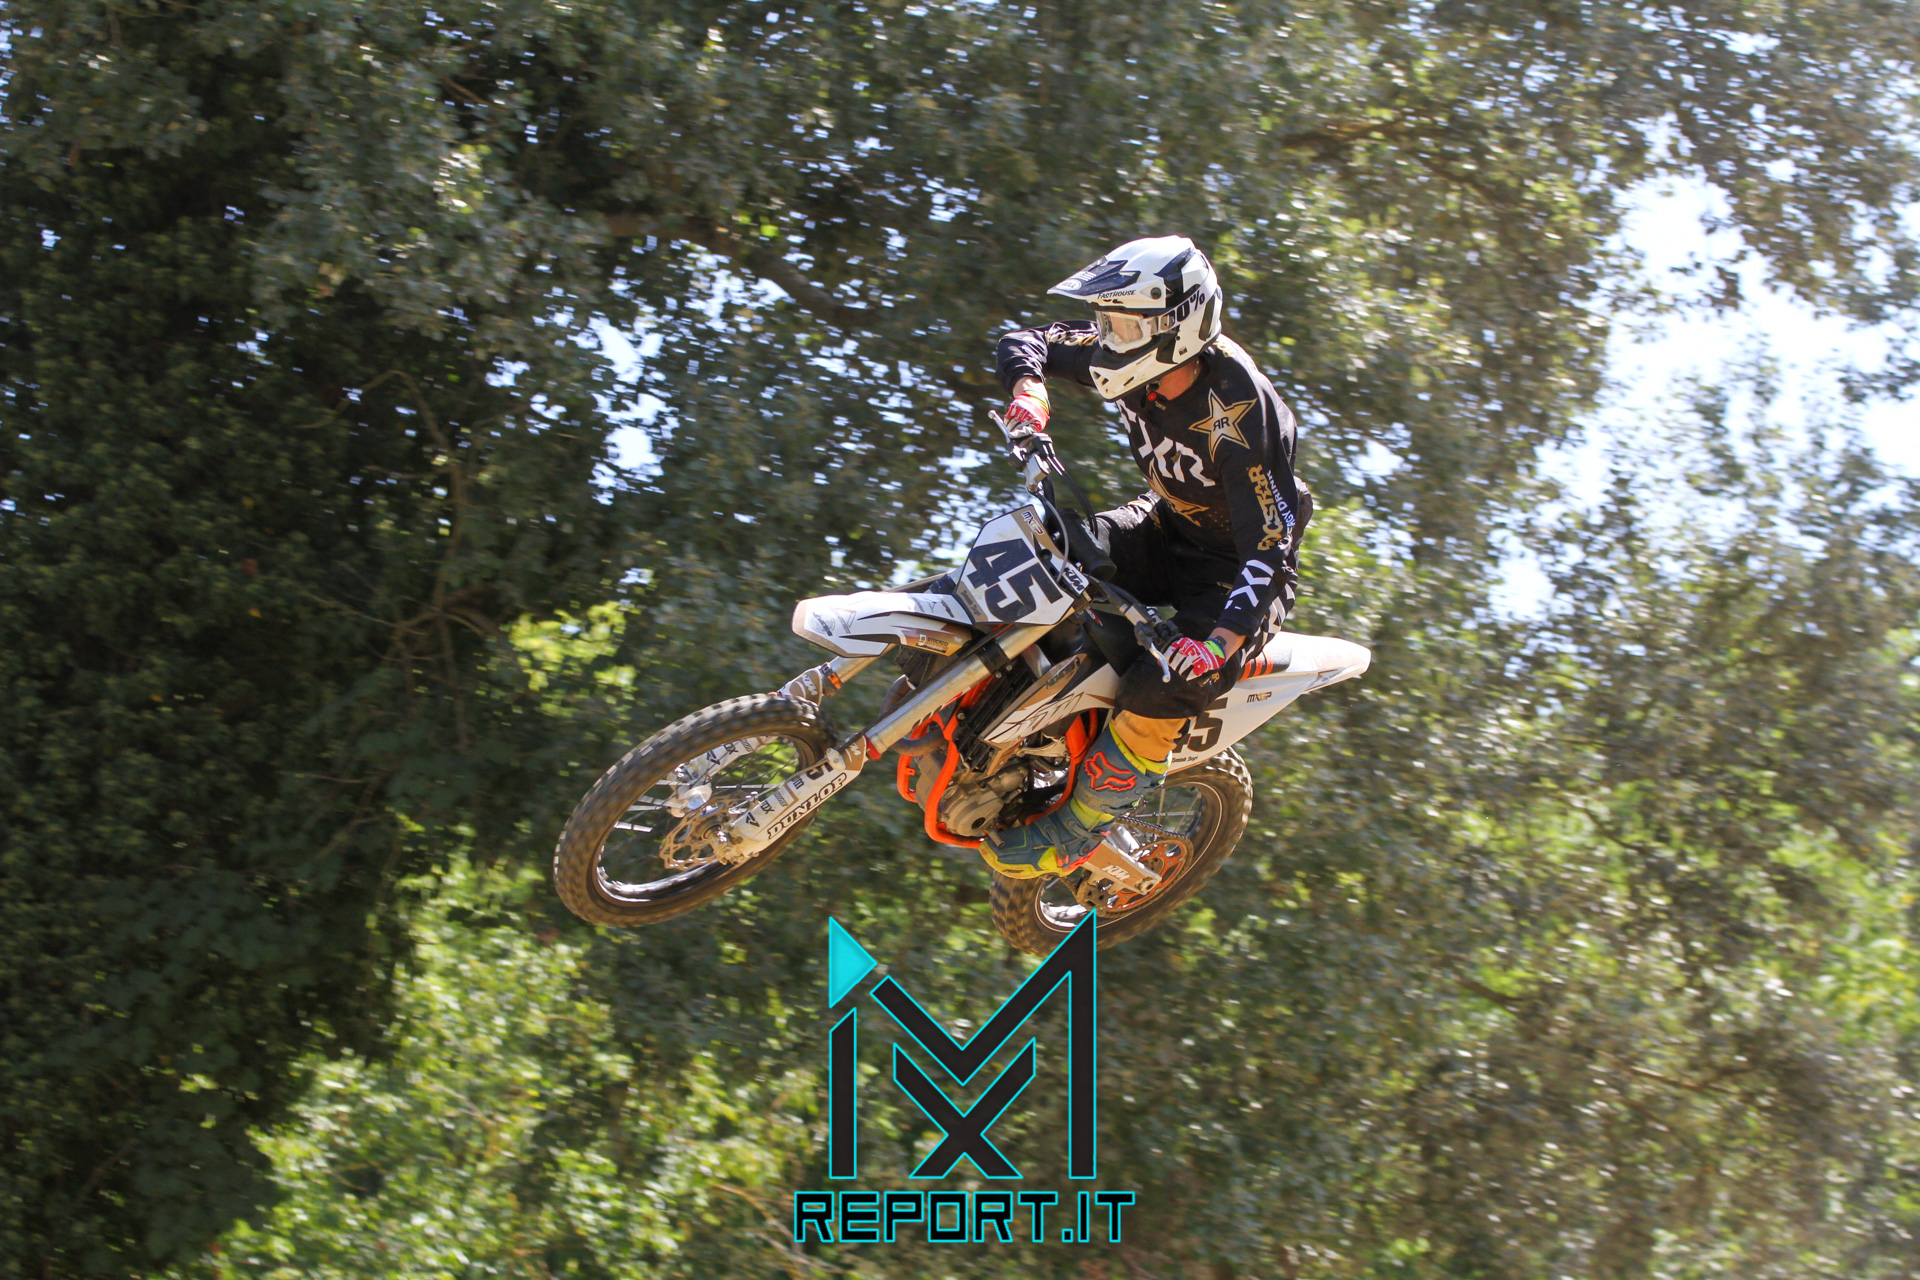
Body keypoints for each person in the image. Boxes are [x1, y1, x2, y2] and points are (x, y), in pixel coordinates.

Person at [981, 235, 1310, 878]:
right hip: (1165, 525)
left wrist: (1215, 645)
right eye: (1106, 320)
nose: (1107, 337)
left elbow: (1271, 544)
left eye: (1123, 324)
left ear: (1178, 326)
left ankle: (1080, 829)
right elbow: (1028, 339)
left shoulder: (1239, 404)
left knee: (1175, 676)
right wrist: (1029, 392)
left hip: (1238, 572)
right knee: (1047, 547)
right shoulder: (1130, 356)